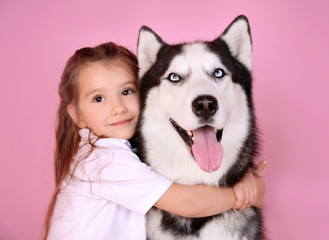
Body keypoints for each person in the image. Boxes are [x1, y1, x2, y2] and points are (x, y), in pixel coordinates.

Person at [43, 42, 266, 239]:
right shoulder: (105, 160)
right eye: (98, 98)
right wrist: (241, 194)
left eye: (127, 91)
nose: (118, 108)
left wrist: (244, 176)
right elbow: (189, 203)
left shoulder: (123, 150)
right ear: (77, 115)